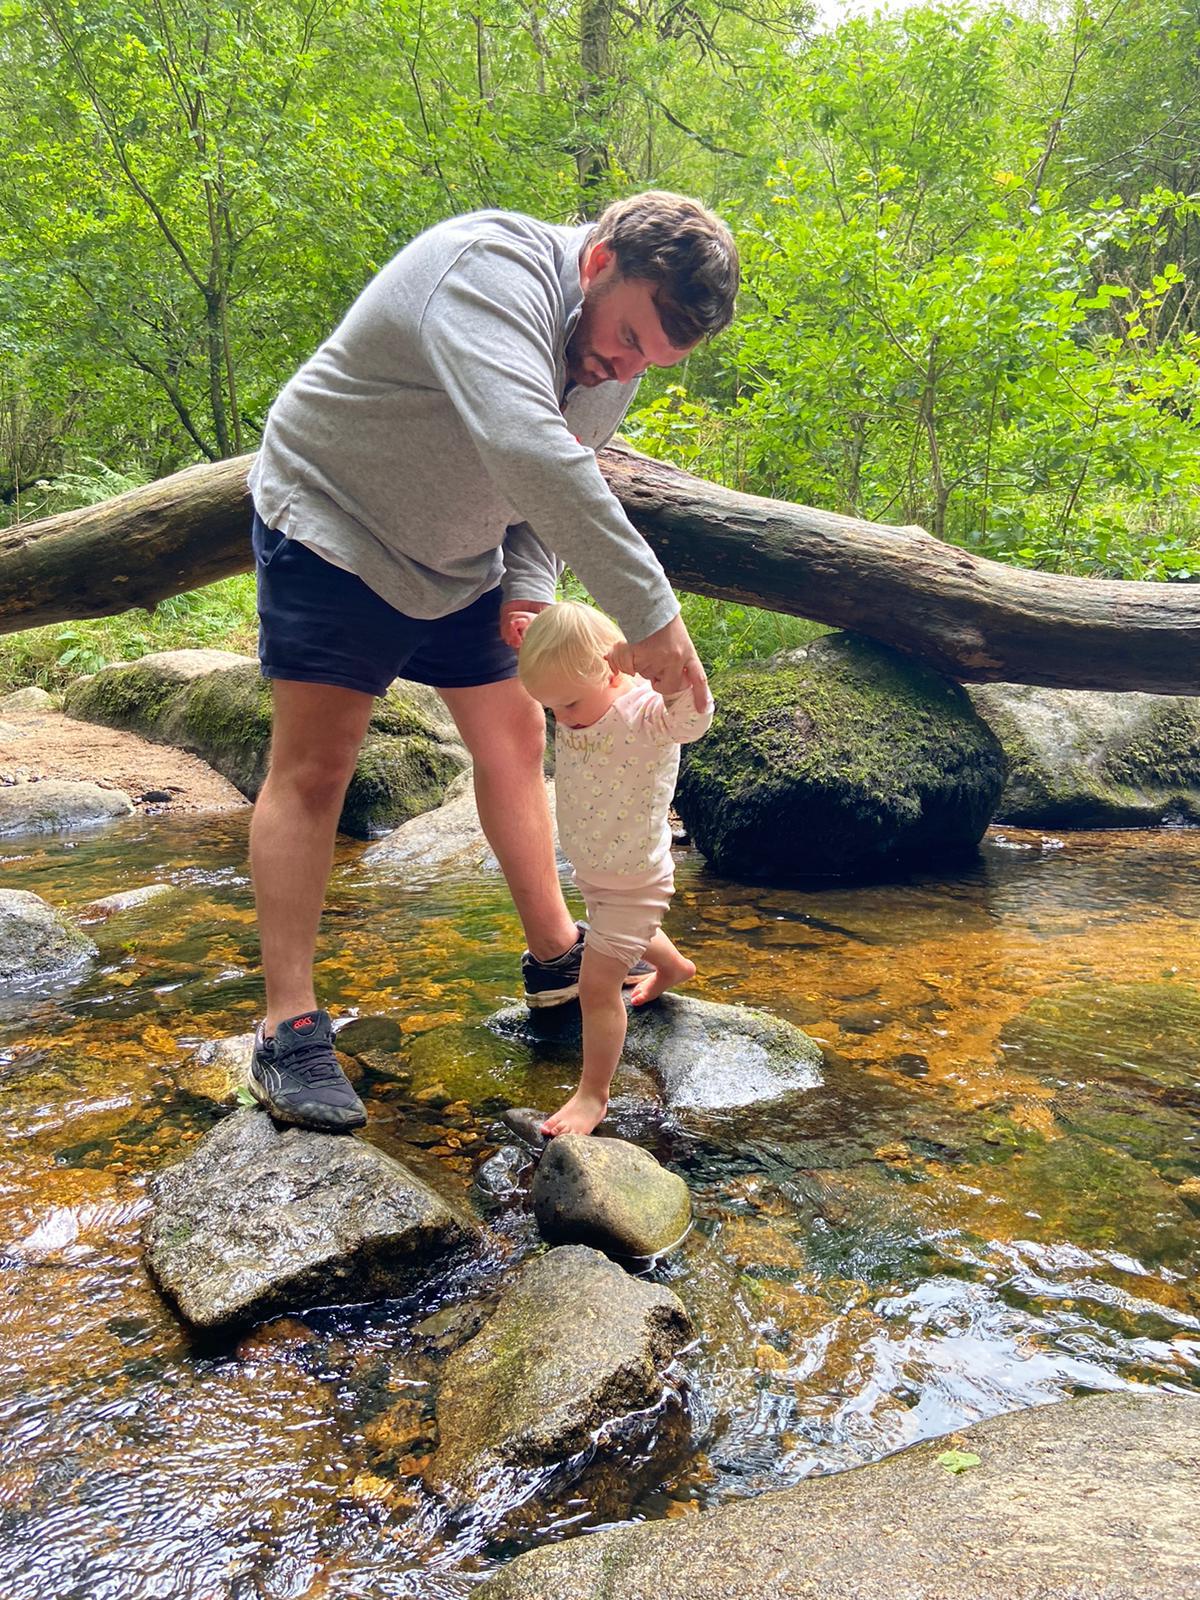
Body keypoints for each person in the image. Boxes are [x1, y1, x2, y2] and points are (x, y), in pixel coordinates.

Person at [243, 191, 739, 1132]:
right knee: (317, 767)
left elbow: (556, 479)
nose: (627, 366)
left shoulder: (613, 347)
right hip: (336, 527)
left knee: (514, 738)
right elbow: (526, 444)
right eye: (629, 339)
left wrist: (526, 585)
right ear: (598, 264)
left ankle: (558, 956)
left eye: (651, 361)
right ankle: (288, 1023)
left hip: (463, 563)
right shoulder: (485, 271)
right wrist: (653, 614)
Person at [515, 601, 713, 1135]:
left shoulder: (646, 712)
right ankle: (674, 968)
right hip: (600, 870)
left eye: (571, 703)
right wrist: (536, 633)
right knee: (613, 934)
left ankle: (592, 1095)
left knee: (598, 986)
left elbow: (692, 720)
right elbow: (564, 659)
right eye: (551, 708)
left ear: (611, 671)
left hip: (636, 878)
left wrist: (673, 676)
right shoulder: (577, 691)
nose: (564, 718)